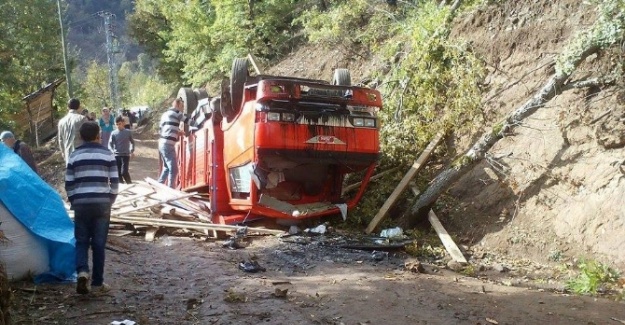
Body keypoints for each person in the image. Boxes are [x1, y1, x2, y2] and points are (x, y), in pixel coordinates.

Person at [65, 121, 118, 295]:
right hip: (102, 204)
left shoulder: (74, 156)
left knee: (81, 241)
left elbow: (69, 183)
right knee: (98, 243)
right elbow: (115, 181)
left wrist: (74, 200)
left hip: (81, 204)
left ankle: (82, 272)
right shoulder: (107, 154)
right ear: (98, 135)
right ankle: (97, 283)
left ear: (80, 137)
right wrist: (110, 199)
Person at [157, 97, 189, 188]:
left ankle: (159, 185)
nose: (183, 109)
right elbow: (189, 121)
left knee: (167, 168)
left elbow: (162, 129)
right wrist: (199, 125)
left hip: (162, 143)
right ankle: (170, 190)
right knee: (174, 169)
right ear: (177, 105)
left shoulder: (165, 114)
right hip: (168, 144)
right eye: (182, 106)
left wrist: (177, 132)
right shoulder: (177, 113)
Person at [58, 98, 87, 164]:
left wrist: (63, 153)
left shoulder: (61, 121)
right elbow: (88, 136)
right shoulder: (82, 119)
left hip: (68, 155)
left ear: (68, 107)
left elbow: (60, 140)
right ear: (79, 107)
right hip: (81, 154)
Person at [109, 116, 135, 184]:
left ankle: (129, 184)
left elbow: (132, 142)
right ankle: (121, 185)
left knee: (124, 172)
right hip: (117, 155)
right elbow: (110, 144)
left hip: (126, 155)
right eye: (116, 124)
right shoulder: (113, 133)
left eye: (119, 124)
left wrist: (132, 151)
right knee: (118, 173)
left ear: (123, 123)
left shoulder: (128, 132)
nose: (118, 126)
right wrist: (112, 151)